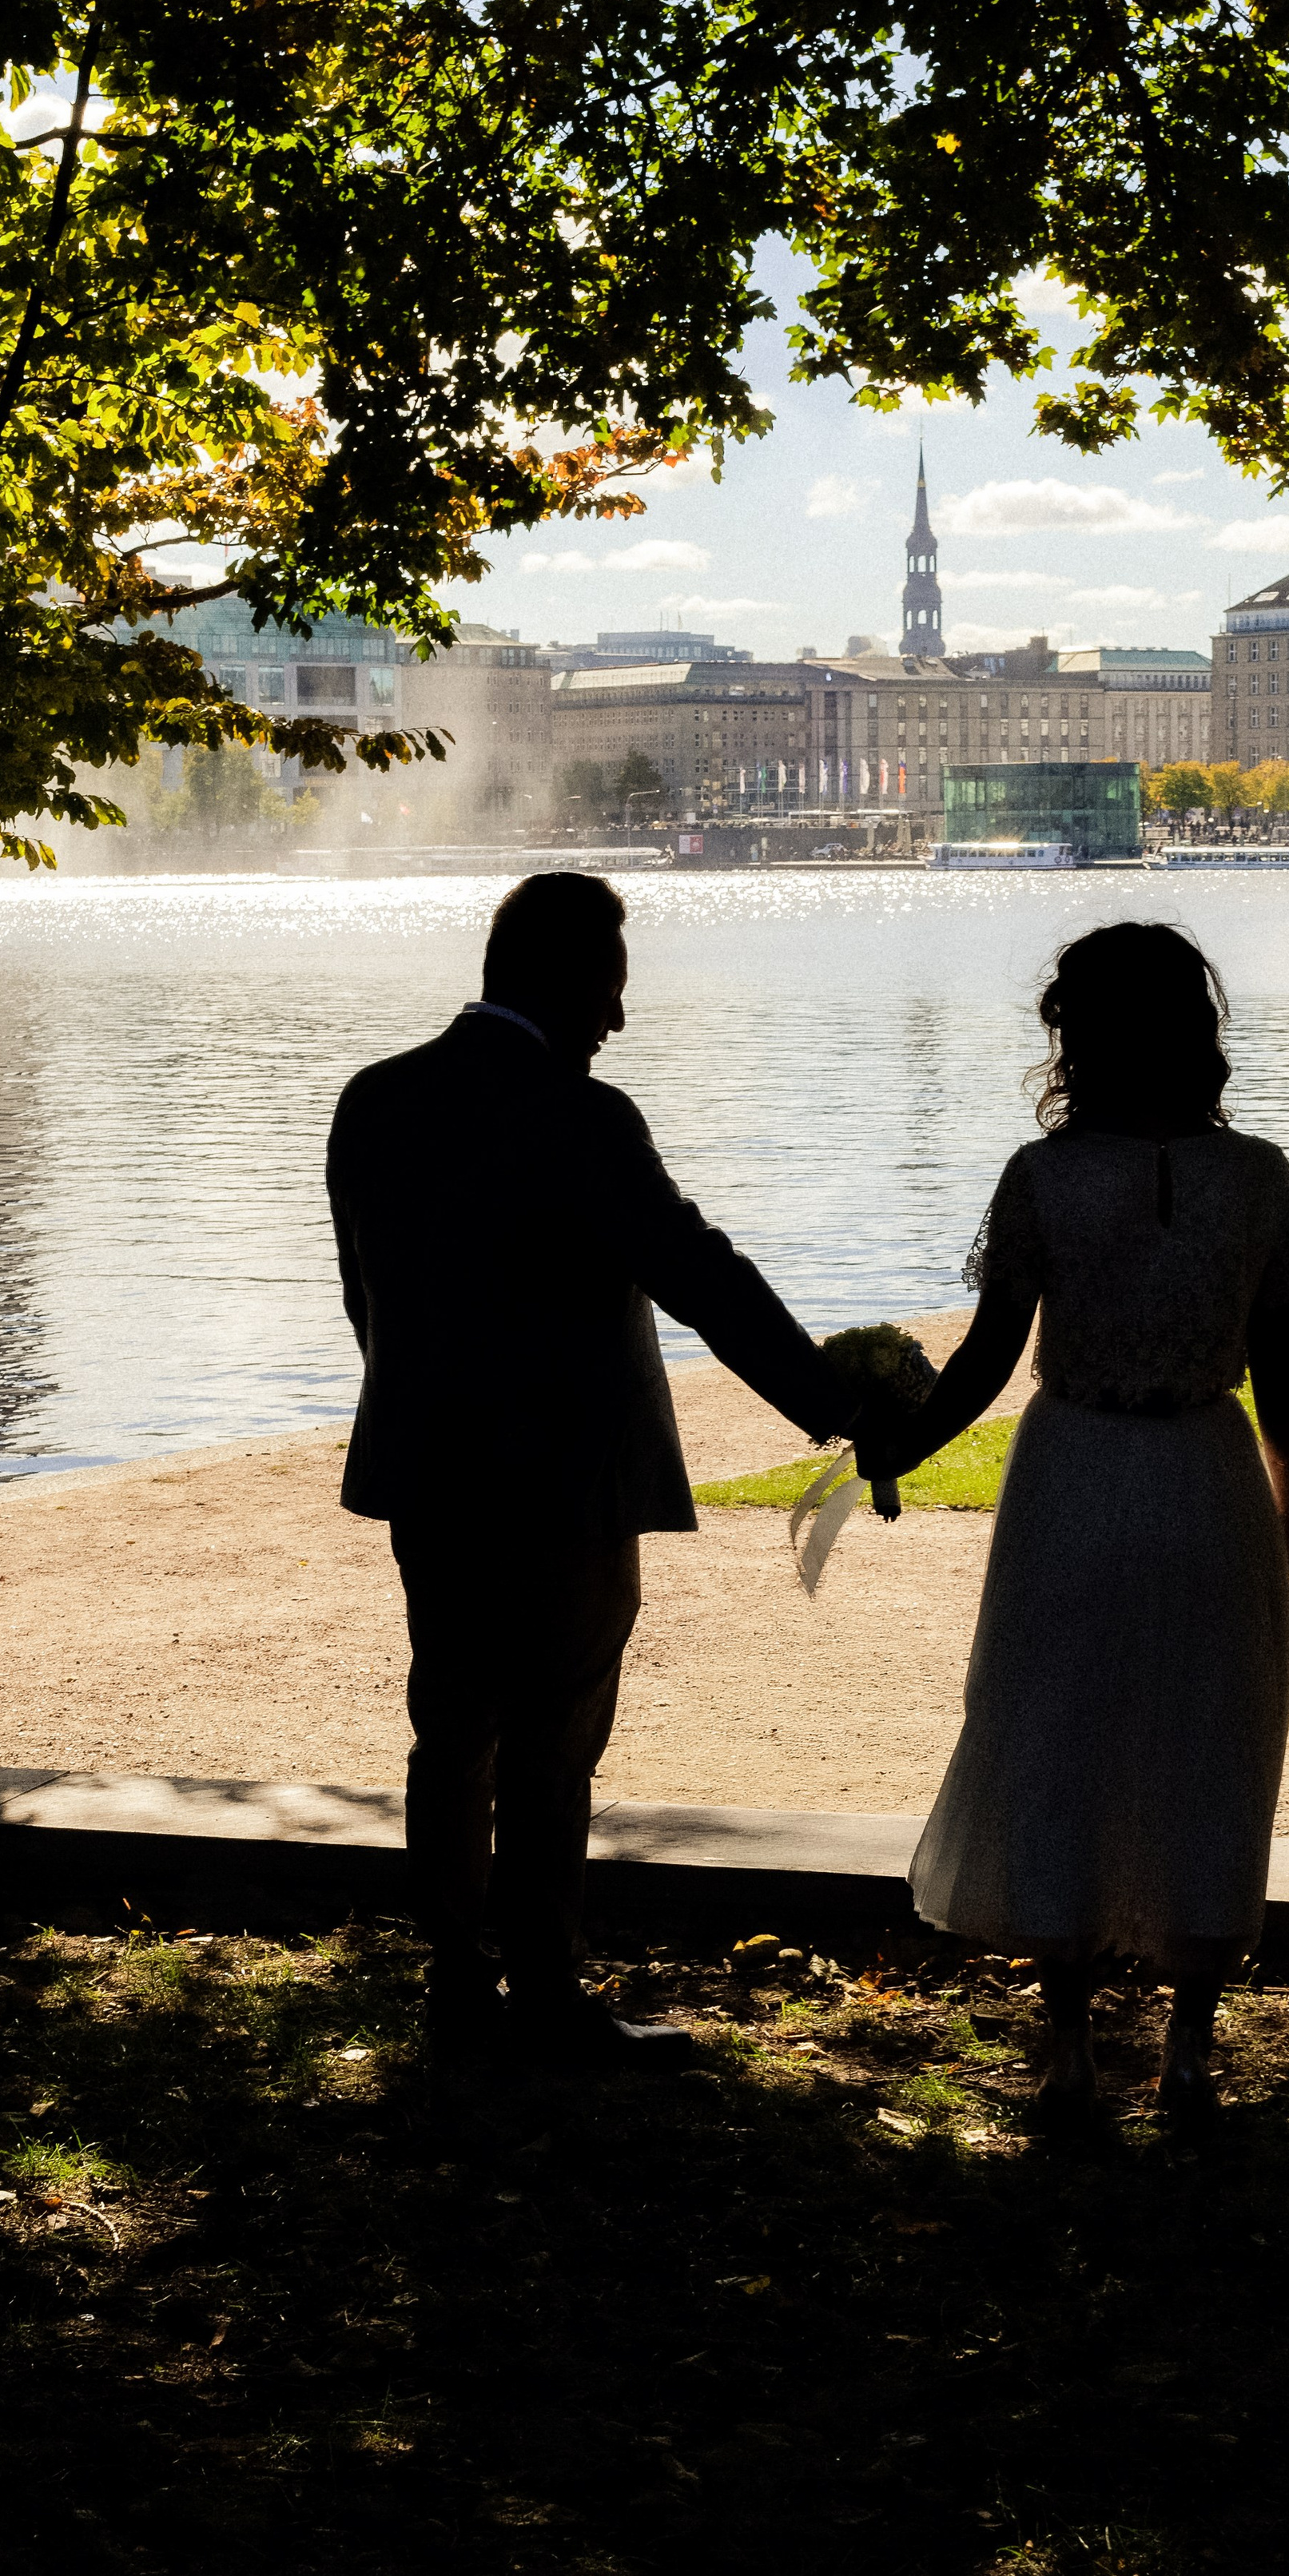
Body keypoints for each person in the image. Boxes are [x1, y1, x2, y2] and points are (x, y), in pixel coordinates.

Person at [327, 871, 855, 2069]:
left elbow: (368, 1299)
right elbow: (701, 1276)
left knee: (450, 1731)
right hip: (565, 1482)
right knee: (556, 1742)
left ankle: (456, 1983)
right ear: (564, 980)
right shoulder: (580, 1115)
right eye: (610, 987)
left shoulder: (377, 1099)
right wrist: (837, 1407)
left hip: (431, 1472)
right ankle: (548, 1994)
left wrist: (421, 1409)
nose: (619, 1015)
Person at [853, 921, 1289, 2132]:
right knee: (1212, 1742)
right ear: (1197, 1029)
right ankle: (1190, 2049)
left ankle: (1067, 2047)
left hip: (1071, 1472)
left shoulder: (1044, 1177)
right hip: (1208, 1471)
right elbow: (1283, 1357)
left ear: (1081, 1037)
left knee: (1055, 1731)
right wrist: (1286, 1493)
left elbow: (986, 1359)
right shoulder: (1255, 1174)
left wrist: (898, 1442)